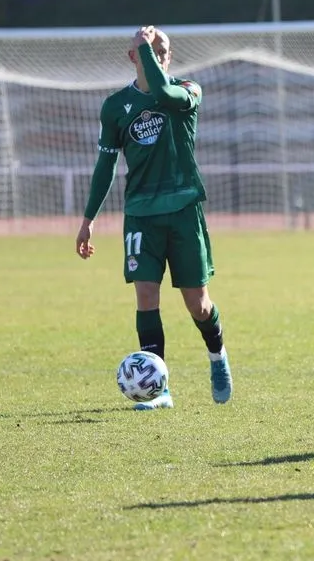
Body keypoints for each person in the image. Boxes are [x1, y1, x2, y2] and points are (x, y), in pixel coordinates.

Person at [75, 25, 232, 411]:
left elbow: (161, 92)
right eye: (149, 50)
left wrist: (145, 46)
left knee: (198, 304)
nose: (158, 56)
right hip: (141, 215)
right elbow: (105, 166)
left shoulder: (187, 91)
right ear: (132, 57)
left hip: (183, 211)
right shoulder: (115, 107)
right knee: (146, 296)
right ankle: (158, 389)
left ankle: (218, 357)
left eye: (162, 50)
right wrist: (88, 219)